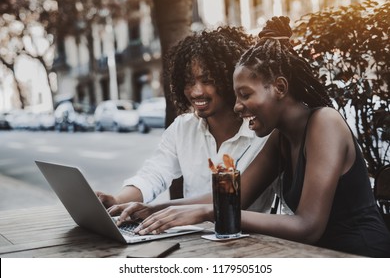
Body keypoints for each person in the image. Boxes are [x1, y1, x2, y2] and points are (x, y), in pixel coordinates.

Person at [125, 17, 390, 257]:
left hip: (360, 256)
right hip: (318, 256)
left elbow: (308, 226)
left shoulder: (325, 123)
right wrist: (154, 210)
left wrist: (209, 212)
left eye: (245, 94)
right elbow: (234, 196)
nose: (237, 106)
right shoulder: (280, 138)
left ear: (280, 88)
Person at [97, 26, 276, 219]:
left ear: (230, 79)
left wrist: (157, 209)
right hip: (194, 240)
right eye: (189, 82)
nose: (196, 92)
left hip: (253, 243)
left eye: (207, 80)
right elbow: (154, 174)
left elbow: (233, 198)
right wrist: (118, 200)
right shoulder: (183, 127)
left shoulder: (262, 133)